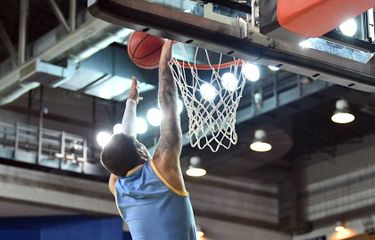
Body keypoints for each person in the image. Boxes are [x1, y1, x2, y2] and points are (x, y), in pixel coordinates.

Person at [100, 40, 197, 240]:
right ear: (142, 151)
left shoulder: (118, 188)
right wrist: (164, 61)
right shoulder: (161, 168)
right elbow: (167, 100)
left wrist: (131, 104)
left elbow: (126, 145)